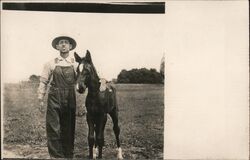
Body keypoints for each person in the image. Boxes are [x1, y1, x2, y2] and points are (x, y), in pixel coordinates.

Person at [37, 36, 78, 158]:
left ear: (70, 47)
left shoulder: (75, 64)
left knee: (68, 127)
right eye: (61, 43)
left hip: (70, 97)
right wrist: (40, 98)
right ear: (57, 46)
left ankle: (68, 154)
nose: (64, 45)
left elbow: (84, 78)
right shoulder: (50, 63)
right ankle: (56, 156)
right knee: (53, 127)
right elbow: (43, 82)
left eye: (66, 43)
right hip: (54, 97)